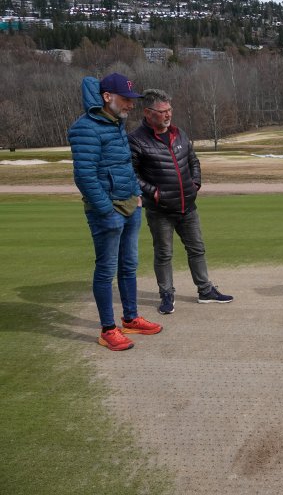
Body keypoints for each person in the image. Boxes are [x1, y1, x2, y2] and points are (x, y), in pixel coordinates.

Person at [69, 73, 163, 351]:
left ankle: (131, 318)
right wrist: (106, 212)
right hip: (106, 212)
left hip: (129, 206)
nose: (130, 106)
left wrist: (136, 195)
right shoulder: (86, 128)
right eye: (125, 100)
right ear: (107, 97)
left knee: (129, 266)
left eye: (131, 100)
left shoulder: (115, 124)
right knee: (106, 270)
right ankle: (108, 330)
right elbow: (84, 177)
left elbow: (124, 165)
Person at [129, 89, 233, 315]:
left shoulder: (179, 134)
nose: (168, 115)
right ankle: (166, 295)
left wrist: (195, 184)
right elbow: (132, 175)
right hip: (160, 210)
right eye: (162, 111)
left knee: (197, 249)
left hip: (188, 206)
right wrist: (155, 194)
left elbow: (193, 161)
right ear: (148, 113)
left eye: (170, 110)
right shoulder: (136, 140)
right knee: (164, 254)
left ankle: (205, 291)